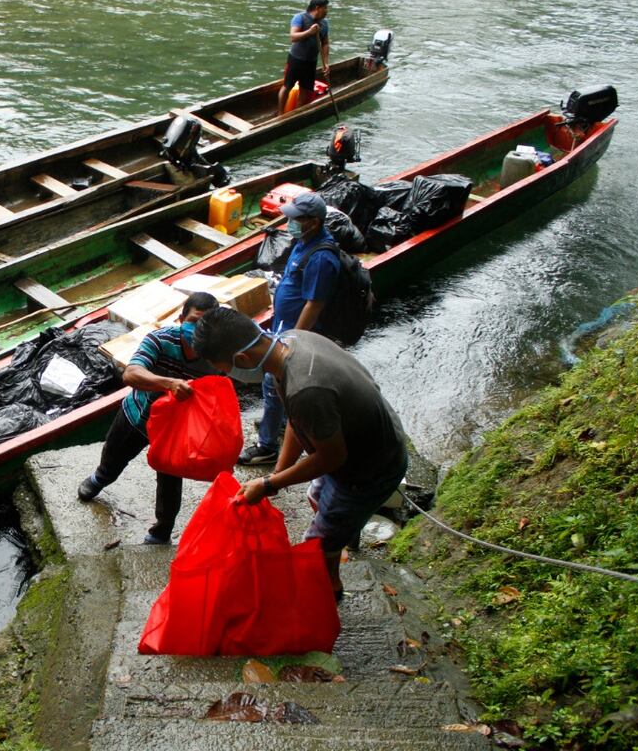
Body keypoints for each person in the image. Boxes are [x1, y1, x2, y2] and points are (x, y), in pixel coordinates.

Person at [193, 308, 407, 599]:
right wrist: (277, 474)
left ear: (242, 360)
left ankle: (330, 591)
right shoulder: (291, 342)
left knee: (317, 545)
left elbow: (332, 458)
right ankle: (343, 534)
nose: (228, 376)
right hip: (353, 439)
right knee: (317, 496)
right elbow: (298, 421)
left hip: (370, 467)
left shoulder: (306, 389)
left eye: (225, 370)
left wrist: (268, 484)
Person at [77, 292, 221, 545]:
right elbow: (131, 374)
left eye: (206, 324)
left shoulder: (216, 358)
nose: (199, 329)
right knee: (114, 455)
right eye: (193, 321)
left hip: (175, 429)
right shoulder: (160, 339)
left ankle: (162, 529)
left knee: (170, 481)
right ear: (181, 320)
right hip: (138, 413)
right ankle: (100, 479)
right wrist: (169, 383)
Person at [240, 191, 340, 465]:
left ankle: (267, 446)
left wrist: (292, 342)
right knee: (276, 386)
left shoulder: (321, 258)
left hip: (294, 334)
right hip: (283, 325)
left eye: (296, 219)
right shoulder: (303, 243)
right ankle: (280, 421)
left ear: (314, 222)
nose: (290, 223)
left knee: (274, 383)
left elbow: (314, 305)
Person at [278, 0, 331, 115]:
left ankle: (296, 114)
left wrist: (326, 63)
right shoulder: (300, 18)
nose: (326, 11)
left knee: (306, 90)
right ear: (317, 8)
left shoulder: (324, 23)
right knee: (287, 86)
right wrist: (310, 32)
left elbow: (325, 44)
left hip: (311, 62)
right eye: (325, 8)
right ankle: (280, 114)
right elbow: (293, 37)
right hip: (295, 60)